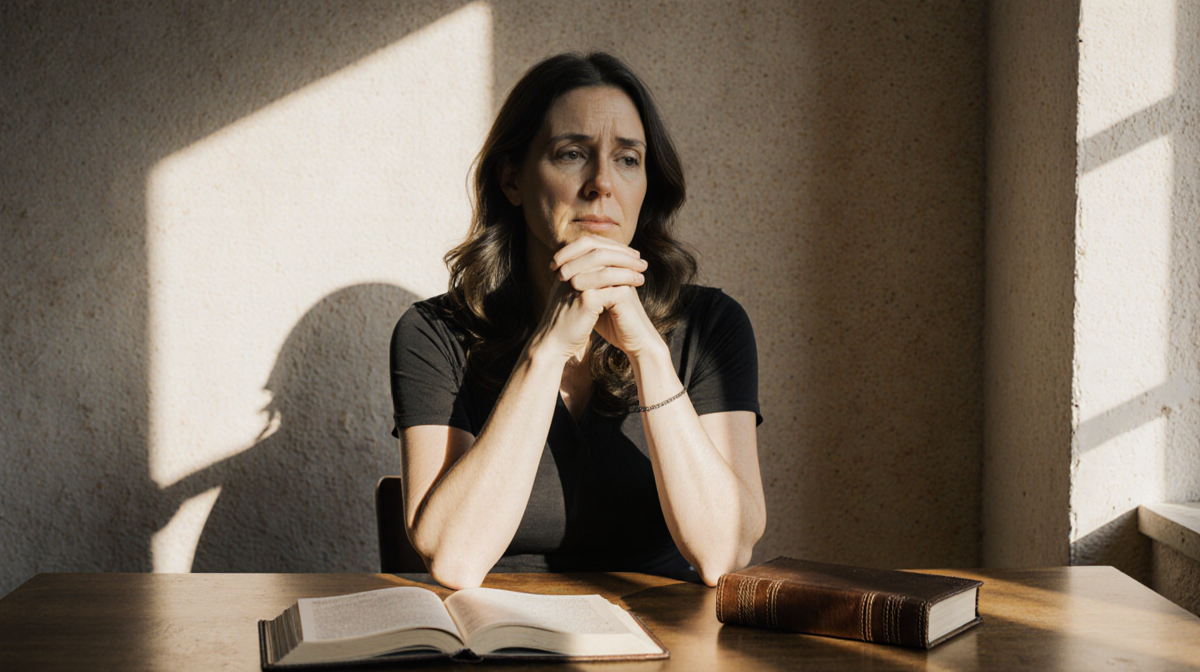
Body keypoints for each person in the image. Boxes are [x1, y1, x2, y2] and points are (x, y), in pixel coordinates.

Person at [390, 52, 764, 589]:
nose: (601, 184)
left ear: (646, 187)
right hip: (496, 637)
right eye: (571, 154)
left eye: (628, 159)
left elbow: (722, 555)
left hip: (669, 643)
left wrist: (649, 355)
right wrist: (547, 350)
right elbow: (454, 559)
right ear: (513, 180)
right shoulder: (433, 334)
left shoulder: (711, 325)